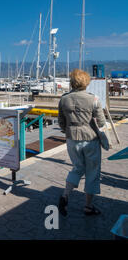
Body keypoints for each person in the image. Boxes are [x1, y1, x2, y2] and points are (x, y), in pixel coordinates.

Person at [57, 69, 106, 216]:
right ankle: (88, 206)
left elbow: (61, 122)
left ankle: (65, 195)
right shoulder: (94, 99)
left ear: (72, 82)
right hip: (90, 139)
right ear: (86, 82)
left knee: (77, 168)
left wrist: (69, 130)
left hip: (72, 139)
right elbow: (102, 122)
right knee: (92, 172)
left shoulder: (64, 99)